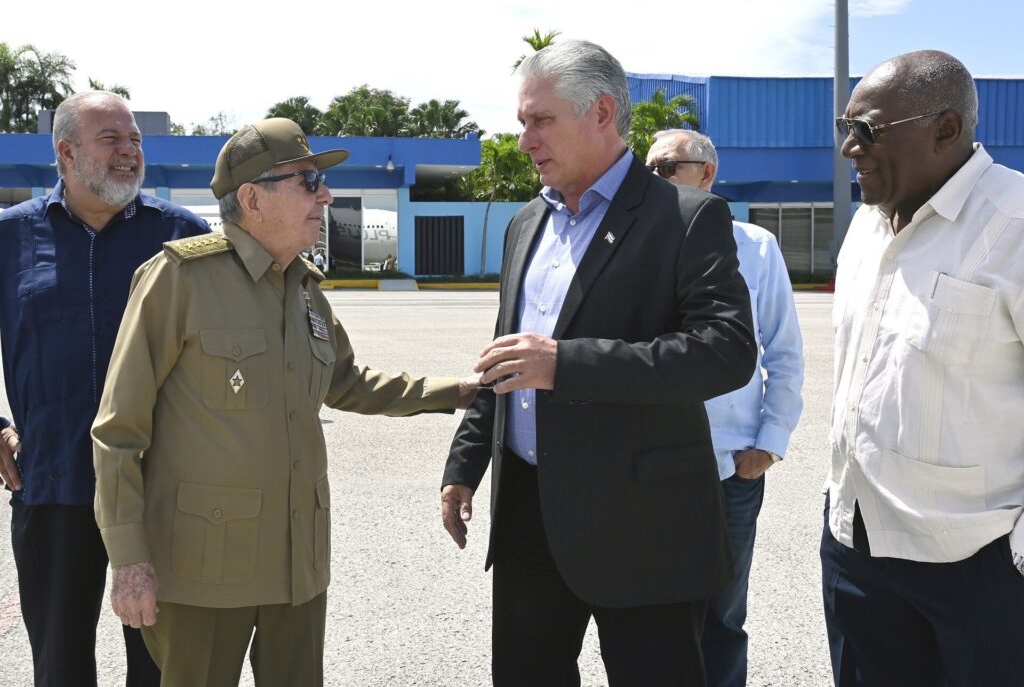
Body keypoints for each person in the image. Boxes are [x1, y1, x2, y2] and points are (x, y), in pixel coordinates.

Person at [91, 118, 477, 687]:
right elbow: (118, 431)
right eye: (307, 181)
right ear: (252, 197)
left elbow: (348, 382)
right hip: (204, 572)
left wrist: (460, 391)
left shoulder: (303, 287)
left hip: (296, 565)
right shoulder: (180, 279)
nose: (324, 194)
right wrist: (128, 559)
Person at [440, 39, 757, 686]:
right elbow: (509, 354)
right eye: (522, 121)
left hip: (642, 526)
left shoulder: (688, 219)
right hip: (529, 513)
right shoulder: (525, 223)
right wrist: (465, 463)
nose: (525, 139)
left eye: (540, 120)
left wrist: (568, 364)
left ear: (603, 112)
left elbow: (725, 352)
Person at [824, 50, 1024, 686]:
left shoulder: (1016, 226)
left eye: (869, 130)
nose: (851, 148)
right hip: (855, 547)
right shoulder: (866, 227)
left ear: (945, 129)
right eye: (845, 128)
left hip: (978, 562)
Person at [0, 90, 208, 686]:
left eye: (135, 138)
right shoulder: (10, 239)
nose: (128, 151)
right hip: (53, 488)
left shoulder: (184, 239)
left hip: (163, 494)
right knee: (60, 668)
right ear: (66, 152)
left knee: (164, 669)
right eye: (111, 138)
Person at [646, 130, 804, 687]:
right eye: (649, 168)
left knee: (723, 616)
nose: (654, 178)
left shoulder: (755, 248)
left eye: (667, 168)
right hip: (654, 466)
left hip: (733, 468)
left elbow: (783, 351)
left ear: (706, 174)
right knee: (654, 614)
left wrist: (769, 443)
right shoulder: (636, 249)